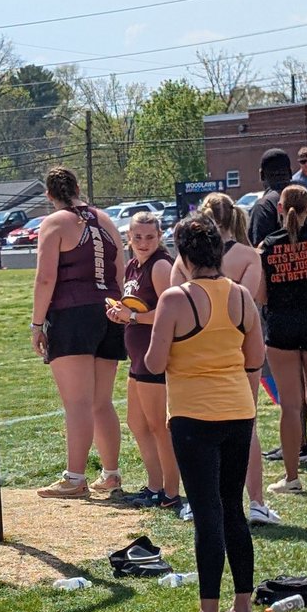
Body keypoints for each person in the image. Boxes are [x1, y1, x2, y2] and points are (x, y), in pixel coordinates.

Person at [145, 216, 264, 612]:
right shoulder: (243, 297)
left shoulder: (176, 299)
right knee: (233, 509)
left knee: (207, 513)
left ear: (184, 255)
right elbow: (255, 357)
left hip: (193, 415)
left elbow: (154, 363)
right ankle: (243, 606)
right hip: (238, 410)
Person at [172, 192, 277, 526]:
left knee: (193, 424)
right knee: (248, 425)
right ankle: (256, 501)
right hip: (239, 349)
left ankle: (198, 500)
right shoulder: (250, 254)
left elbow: (173, 300)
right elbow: (246, 303)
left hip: (194, 351)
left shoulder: (184, 260)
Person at [31, 167, 125, 498]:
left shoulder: (54, 223)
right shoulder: (106, 219)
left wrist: (37, 323)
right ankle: (111, 475)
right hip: (109, 310)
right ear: (78, 187)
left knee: (78, 403)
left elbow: (45, 277)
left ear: (49, 196)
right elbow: (120, 269)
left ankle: (75, 477)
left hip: (72, 313)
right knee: (102, 402)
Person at [258, 185, 307, 494]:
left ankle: (291, 478)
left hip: (281, 329)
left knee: (290, 407)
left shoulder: (265, 246)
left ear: (280, 208)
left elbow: (261, 295)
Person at [105, 212, 180, 509]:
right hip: (137, 357)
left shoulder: (160, 265)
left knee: (158, 426)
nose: (143, 242)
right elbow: (134, 307)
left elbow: (168, 314)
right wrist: (119, 313)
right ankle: (154, 485)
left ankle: (170, 492)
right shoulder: (133, 266)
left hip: (154, 356)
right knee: (137, 423)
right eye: (137, 237)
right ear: (128, 237)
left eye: (150, 237)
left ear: (159, 237)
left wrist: (132, 316)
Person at [249, 150, 307, 467]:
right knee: (305, 379)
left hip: (278, 304)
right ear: (289, 170)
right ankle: (304, 442)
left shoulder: (264, 206)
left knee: (287, 380)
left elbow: (259, 256)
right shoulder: (306, 197)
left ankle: (299, 443)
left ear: (262, 173)